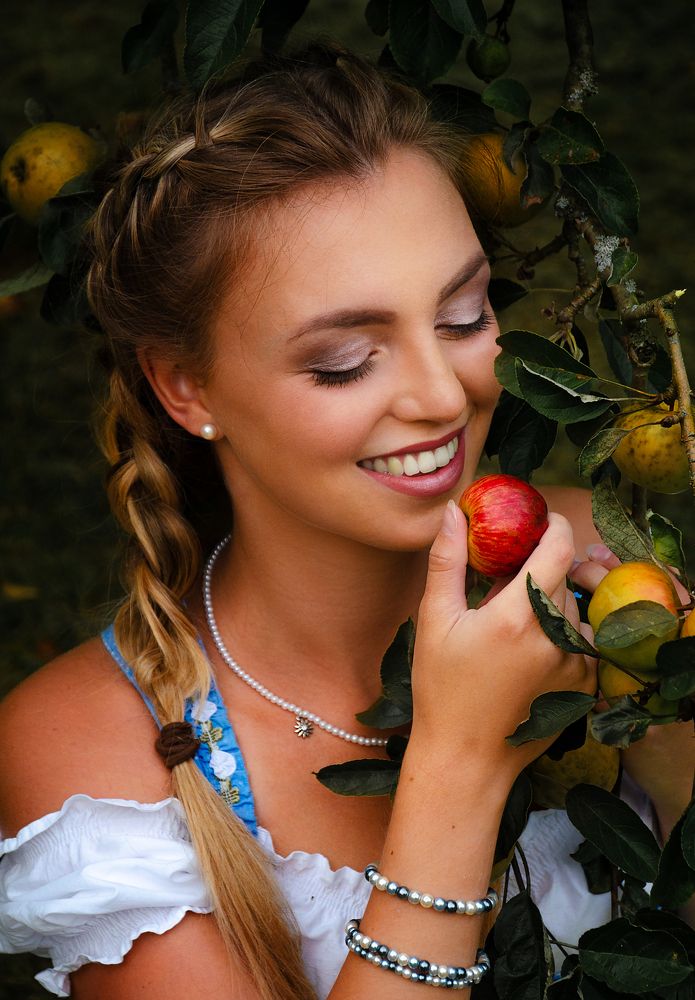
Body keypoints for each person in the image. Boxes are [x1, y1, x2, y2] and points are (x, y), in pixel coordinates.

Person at [0, 43, 692, 1000]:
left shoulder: (595, 586)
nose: (444, 395)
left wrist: (668, 729)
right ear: (184, 385)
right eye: (344, 361)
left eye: (462, 315)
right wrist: (458, 767)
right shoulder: (89, 752)